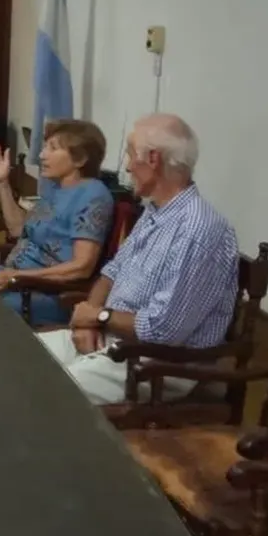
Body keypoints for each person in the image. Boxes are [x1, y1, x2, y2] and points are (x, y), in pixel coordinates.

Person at [63, 113, 239, 404]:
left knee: (44, 389)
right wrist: (88, 319)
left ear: (153, 159)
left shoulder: (198, 229)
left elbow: (162, 330)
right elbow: (113, 271)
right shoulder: (156, 210)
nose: (128, 165)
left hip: (159, 363)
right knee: (24, 356)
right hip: (114, 339)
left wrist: (99, 316)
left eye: (131, 154)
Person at [0, 120, 115, 325]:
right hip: (12, 278)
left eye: (53, 148)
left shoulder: (93, 194)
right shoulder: (54, 188)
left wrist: (18, 276)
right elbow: (17, 230)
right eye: (45, 147)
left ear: (80, 158)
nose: (41, 155)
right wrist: (2, 182)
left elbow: (81, 267)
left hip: (44, 294)